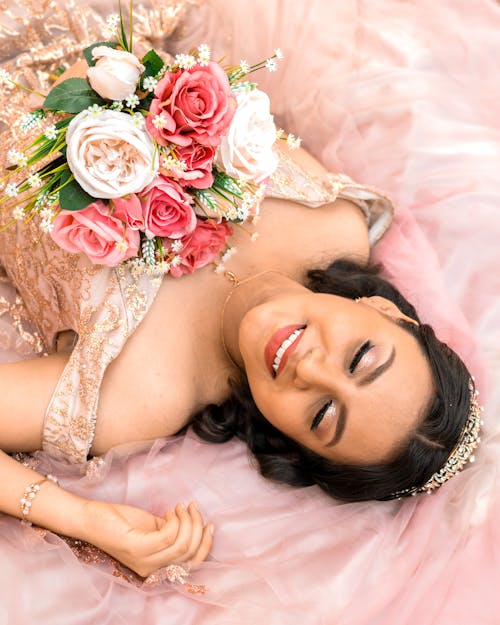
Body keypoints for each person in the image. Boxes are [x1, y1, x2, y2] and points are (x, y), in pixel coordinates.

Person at [0, 1, 496, 622]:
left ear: (288, 442)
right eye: (361, 357)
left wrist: (85, 520)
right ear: (382, 309)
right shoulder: (333, 221)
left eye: (322, 414)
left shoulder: (139, 398)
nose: (311, 369)